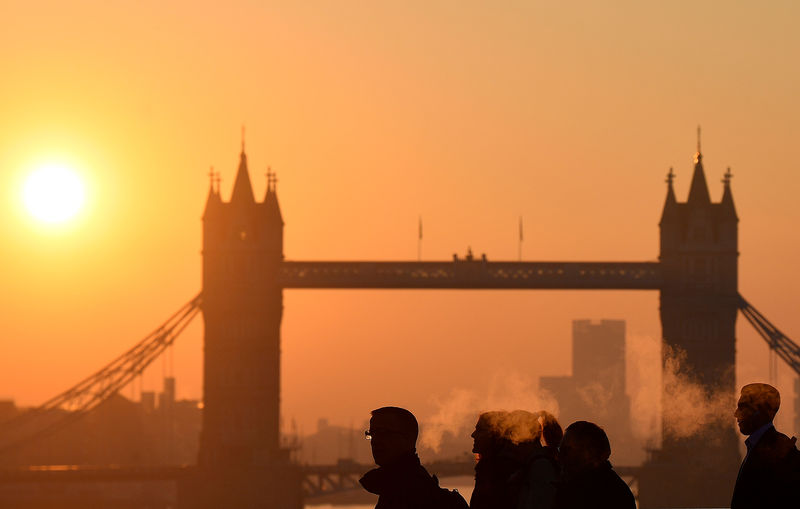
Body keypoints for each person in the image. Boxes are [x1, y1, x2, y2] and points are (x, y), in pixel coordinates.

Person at [359, 406, 467, 509]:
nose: (375, 441)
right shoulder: (395, 486)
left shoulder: (410, 493)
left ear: (408, 438)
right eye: (372, 433)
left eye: (383, 433)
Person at [731, 383, 800, 509]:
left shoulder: (779, 450)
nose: (736, 414)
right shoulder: (771, 446)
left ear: (761, 410)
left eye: (742, 407)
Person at [554, 421, 635, 509]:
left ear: (588, 453)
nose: (559, 456)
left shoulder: (580, 493)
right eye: (559, 450)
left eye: (565, 450)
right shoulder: (618, 490)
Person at [470, 411, 520, 509]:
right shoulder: (488, 468)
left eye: (479, 430)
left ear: (495, 434)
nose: (473, 434)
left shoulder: (500, 472)